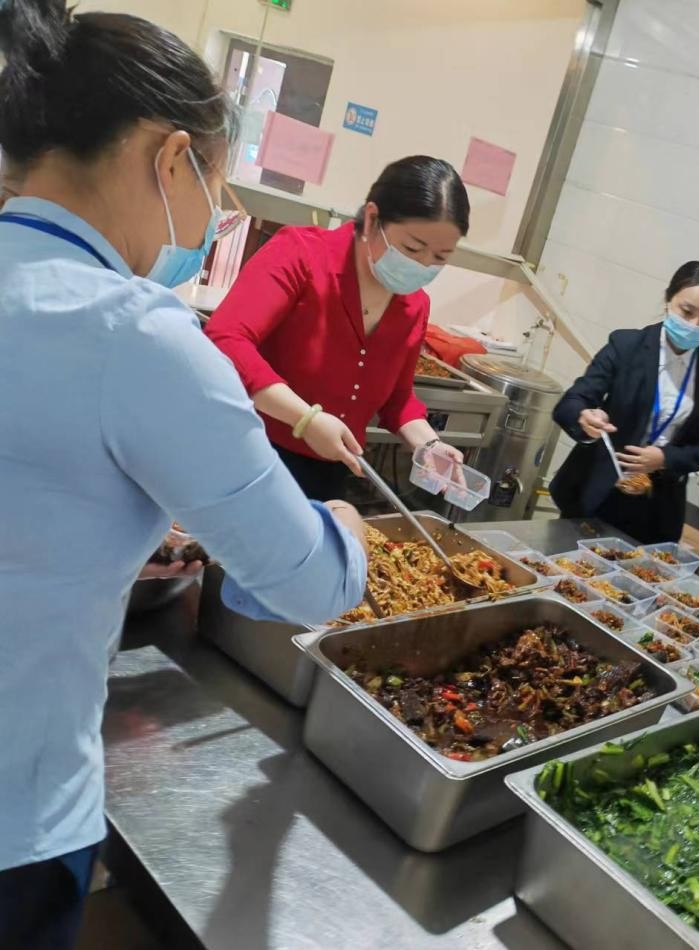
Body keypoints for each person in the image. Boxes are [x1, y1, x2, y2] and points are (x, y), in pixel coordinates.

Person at [0, 4, 368, 947]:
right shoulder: (136, 334)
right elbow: (308, 584)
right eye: (217, 187)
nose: (214, 221)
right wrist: (345, 531)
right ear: (171, 160)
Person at [206, 156, 470, 501]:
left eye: (440, 258)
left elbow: (398, 400)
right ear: (372, 219)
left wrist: (429, 445)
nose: (422, 265)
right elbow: (226, 339)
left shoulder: (415, 306)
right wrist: (305, 419)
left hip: (330, 471)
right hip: (248, 450)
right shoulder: (301, 254)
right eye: (412, 248)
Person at [550, 261, 699, 544]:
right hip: (596, 494)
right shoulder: (626, 346)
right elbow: (573, 401)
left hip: (657, 508)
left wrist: (665, 459)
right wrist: (585, 417)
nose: (694, 325)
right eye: (687, 312)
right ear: (668, 299)